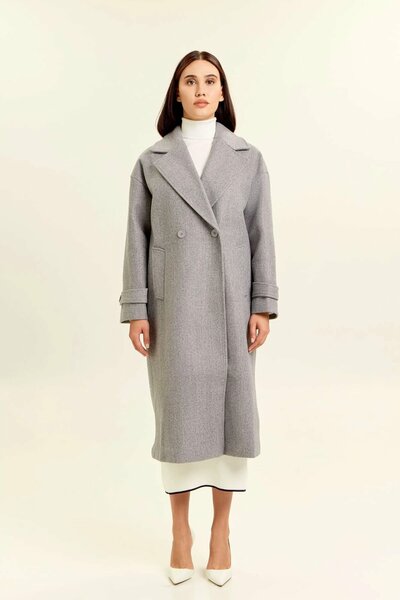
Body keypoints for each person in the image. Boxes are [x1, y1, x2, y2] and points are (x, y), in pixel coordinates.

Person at [119, 50, 279, 586]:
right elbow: (136, 238)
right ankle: (180, 532)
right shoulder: (152, 161)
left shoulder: (247, 158)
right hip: (174, 307)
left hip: (232, 306)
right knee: (179, 421)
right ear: (177, 93)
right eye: (191, 81)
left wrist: (262, 303)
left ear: (223, 93)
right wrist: (136, 307)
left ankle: (222, 533)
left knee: (234, 420)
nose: (201, 89)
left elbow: (261, 235)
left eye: (211, 81)